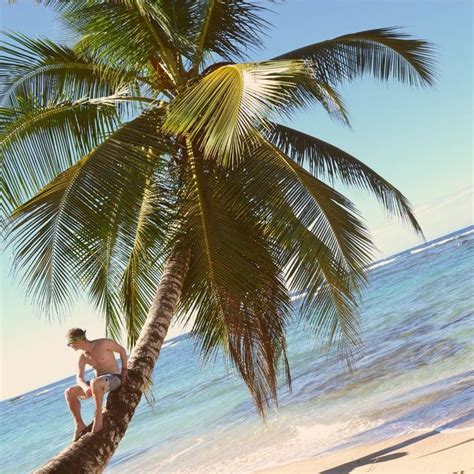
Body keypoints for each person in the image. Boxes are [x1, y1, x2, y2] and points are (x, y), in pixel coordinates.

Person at [64, 328, 128, 442]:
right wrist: (85, 387)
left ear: (77, 340)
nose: (69, 346)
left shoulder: (103, 343)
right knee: (69, 392)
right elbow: (79, 377)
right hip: (97, 384)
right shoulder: (82, 357)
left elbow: (122, 350)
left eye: (69, 343)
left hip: (114, 378)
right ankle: (79, 424)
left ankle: (98, 416)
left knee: (95, 382)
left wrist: (124, 370)